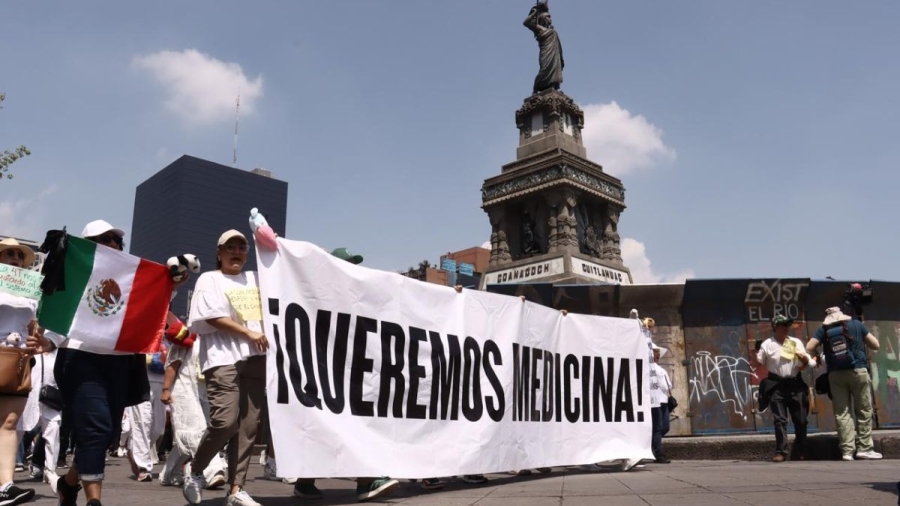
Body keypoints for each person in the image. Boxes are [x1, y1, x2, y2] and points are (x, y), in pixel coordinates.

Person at [52, 219, 160, 506]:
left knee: (104, 434)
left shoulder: (130, 277)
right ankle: (94, 501)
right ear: (88, 245)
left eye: (116, 240)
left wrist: (171, 284)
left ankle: (68, 483)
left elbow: (151, 307)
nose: (113, 245)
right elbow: (58, 307)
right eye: (105, 239)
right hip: (81, 358)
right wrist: (49, 340)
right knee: (96, 429)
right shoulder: (73, 271)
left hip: (120, 362)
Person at [182, 229, 268, 506]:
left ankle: (236, 489)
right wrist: (248, 333)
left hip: (256, 358)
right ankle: (196, 470)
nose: (236, 252)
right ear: (218, 253)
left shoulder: (255, 279)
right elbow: (212, 317)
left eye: (242, 248)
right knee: (225, 422)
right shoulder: (210, 279)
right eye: (230, 247)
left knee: (248, 427)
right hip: (222, 359)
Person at [158, 315, 226, 489]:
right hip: (184, 388)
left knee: (191, 434)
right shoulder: (188, 335)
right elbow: (173, 363)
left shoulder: (216, 339)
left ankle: (169, 473)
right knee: (197, 431)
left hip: (206, 391)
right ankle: (213, 471)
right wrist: (166, 389)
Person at [806, 306, 882, 461]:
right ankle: (864, 448)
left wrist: (817, 357)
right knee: (864, 410)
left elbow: (809, 347)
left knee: (842, 413)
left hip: (836, 374)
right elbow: (876, 345)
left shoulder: (824, 329)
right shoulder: (856, 324)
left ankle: (847, 451)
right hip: (858, 371)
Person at [0, 238, 42, 505]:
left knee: (10, 423)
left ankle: (5, 486)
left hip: (17, 361)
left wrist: (35, 342)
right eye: (9, 253)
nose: (15, 258)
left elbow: (35, 328)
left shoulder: (30, 292)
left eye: (19, 255)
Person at [755, 314, 813, 462]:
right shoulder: (767, 344)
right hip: (776, 385)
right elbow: (759, 362)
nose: (786, 328)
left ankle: (800, 450)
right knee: (780, 419)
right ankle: (781, 451)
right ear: (775, 327)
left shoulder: (795, 342)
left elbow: (806, 363)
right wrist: (757, 354)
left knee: (800, 419)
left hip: (794, 384)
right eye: (783, 325)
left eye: (788, 325)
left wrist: (804, 359)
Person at [523, 1, 564, 94]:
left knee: (554, 68)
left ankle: (552, 85)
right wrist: (535, 13)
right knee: (544, 70)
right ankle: (536, 88)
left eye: (550, 17)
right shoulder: (538, 28)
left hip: (554, 54)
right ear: (543, 19)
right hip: (546, 53)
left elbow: (558, 46)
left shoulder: (552, 31)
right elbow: (526, 23)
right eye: (548, 17)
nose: (550, 19)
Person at [650, 343, 672, 464]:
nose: (657, 354)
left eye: (658, 352)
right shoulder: (649, 368)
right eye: (654, 352)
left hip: (664, 401)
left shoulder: (661, 369)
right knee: (658, 428)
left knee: (665, 427)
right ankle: (659, 453)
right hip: (655, 402)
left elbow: (667, 385)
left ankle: (652, 446)